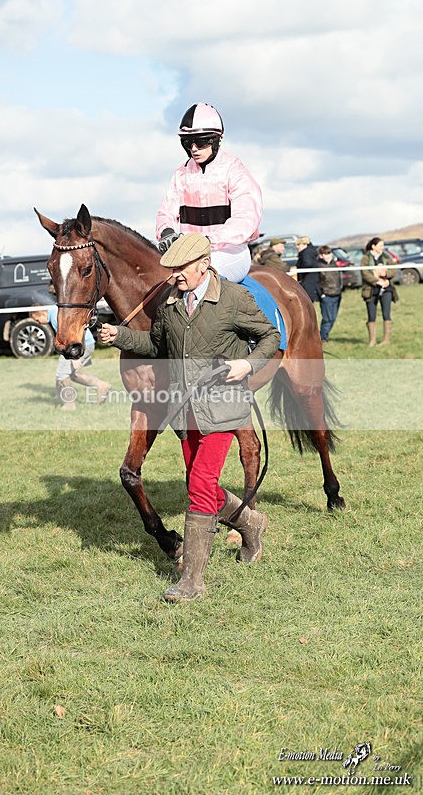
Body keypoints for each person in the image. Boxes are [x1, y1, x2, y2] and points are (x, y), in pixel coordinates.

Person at [98, 233, 280, 602]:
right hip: (185, 409)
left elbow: (270, 337)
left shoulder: (233, 299)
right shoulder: (170, 302)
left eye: (180, 269)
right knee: (205, 489)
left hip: (222, 407)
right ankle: (250, 522)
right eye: (171, 269)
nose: (174, 276)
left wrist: (247, 363)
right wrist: (119, 335)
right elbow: (156, 346)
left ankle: (192, 582)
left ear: (202, 263)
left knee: (199, 486)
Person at [156, 103, 263, 283]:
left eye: (201, 141)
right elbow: (166, 211)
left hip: (230, 253)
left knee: (200, 275)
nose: (194, 148)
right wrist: (166, 230)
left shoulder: (234, 170)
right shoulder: (180, 174)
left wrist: (208, 241)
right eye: (188, 142)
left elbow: (246, 219)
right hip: (189, 255)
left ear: (216, 140)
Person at [31, 305, 111, 410]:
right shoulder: (56, 311)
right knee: (73, 374)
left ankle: (69, 404)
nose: (38, 322)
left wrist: (75, 358)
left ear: (42, 313)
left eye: (37, 319)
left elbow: (71, 336)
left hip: (78, 345)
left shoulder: (56, 316)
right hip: (86, 344)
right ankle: (101, 386)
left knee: (62, 373)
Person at [360, 237, 398, 346]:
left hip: (387, 289)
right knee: (371, 315)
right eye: (380, 245)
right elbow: (365, 273)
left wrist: (386, 276)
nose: (382, 247)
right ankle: (372, 340)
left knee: (386, 314)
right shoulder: (366, 258)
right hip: (371, 290)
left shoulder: (386, 257)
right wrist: (377, 281)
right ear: (374, 246)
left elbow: (393, 269)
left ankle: (386, 340)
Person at [317, 245, 342, 343]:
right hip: (326, 295)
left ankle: (323, 335)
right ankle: (322, 338)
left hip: (337, 294)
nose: (328, 256)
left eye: (329, 253)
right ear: (321, 255)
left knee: (333, 318)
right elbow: (317, 281)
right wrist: (322, 294)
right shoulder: (318, 266)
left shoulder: (334, 264)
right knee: (327, 319)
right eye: (325, 254)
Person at [296, 236, 320, 302]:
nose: (297, 247)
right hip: (309, 281)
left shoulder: (306, 253)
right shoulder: (309, 252)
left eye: (298, 244)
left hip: (308, 282)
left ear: (305, 244)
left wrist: (300, 269)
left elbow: (308, 264)